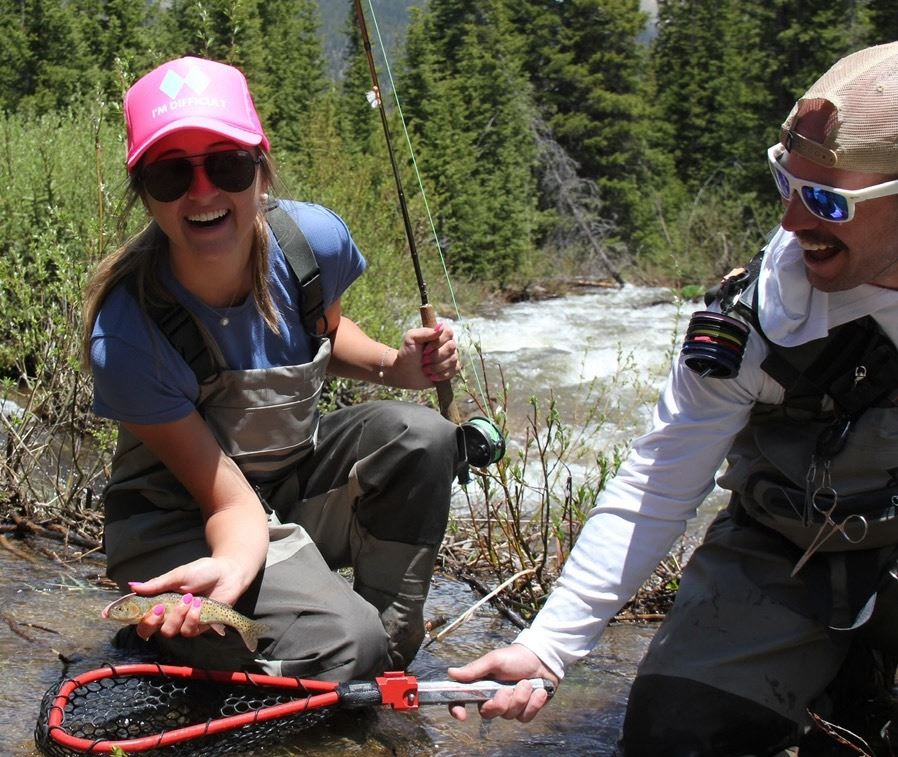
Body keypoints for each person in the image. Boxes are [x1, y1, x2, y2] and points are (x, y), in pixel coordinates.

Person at [449, 41, 898, 755]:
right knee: (672, 736)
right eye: (784, 181)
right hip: (788, 551)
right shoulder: (755, 319)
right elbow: (659, 481)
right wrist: (549, 644)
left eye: (825, 200)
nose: (790, 221)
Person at [83, 55, 467, 681]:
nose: (202, 192)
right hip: (183, 520)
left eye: (227, 165)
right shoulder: (128, 333)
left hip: (284, 482)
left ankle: (382, 661)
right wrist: (230, 570)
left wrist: (398, 366)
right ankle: (308, 647)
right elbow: (228, 503)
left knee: (423, 436)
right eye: (171, 173)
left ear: (261, 169)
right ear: (143, 192)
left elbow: (327, 331)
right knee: (344, 644)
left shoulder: (311, 243)